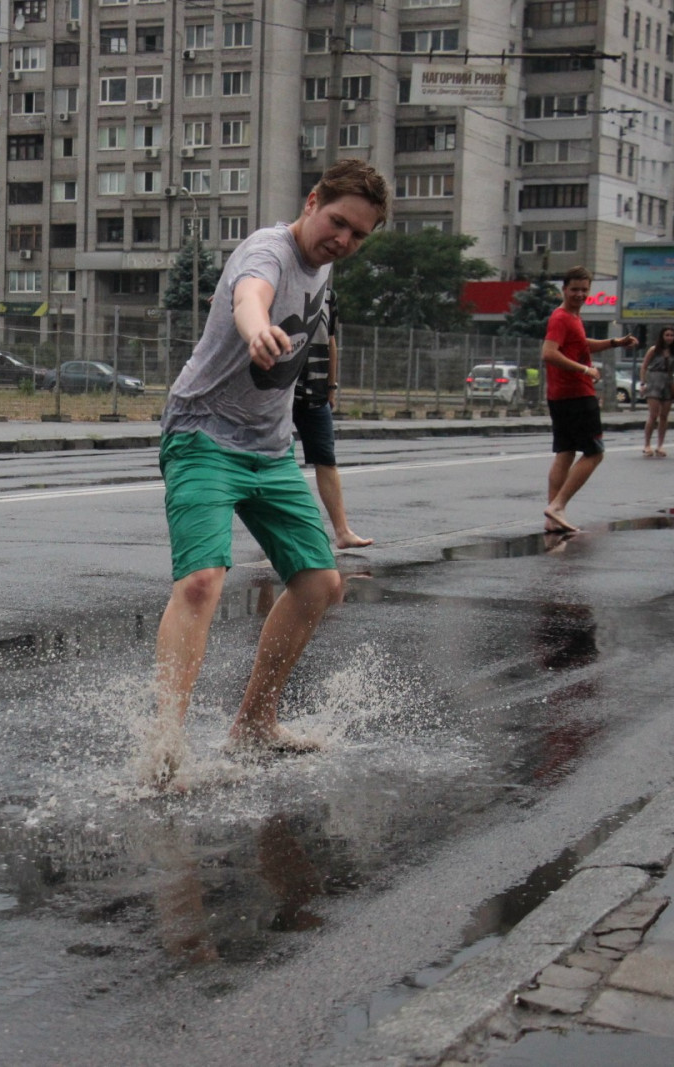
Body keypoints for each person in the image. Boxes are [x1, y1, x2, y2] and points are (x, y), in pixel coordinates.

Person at [148, 158, 390, 785]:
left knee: (320, 582)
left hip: (270, 446)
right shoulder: (270, 249)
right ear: (312, 201)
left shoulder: (325, 266)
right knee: (202, 581)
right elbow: (249, 295)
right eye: (338, 222)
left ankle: (255, 722)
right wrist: (255, 330)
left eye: (359, 235)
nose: (344, 240)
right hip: (202, 433)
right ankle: (166, 747)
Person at [540, 266, 639, 533]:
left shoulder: (571, 318)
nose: (580, 294)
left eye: (584, 290)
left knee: (565, 452)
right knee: (595, 453)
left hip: (560, 395)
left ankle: (552, 518)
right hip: (576, 394)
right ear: (564, 289)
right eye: (575, 289)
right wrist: (585, 369)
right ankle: (558, 506)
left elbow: (581, 344)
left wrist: (615, 342)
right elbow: (549, 353)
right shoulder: (561, 317)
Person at [291, 290, 372, 549]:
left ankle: (342, 531)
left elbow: (331, 340)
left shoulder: (328, 296)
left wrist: (331, 386)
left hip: (315, 391)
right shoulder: (277, 284)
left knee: (326, 459)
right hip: (278, 391)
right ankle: (277, 534)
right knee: (273, 462)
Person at [639, 327, 674, 457]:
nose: (669, 338)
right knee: (653, 415)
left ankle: (660, 445)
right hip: (654, 381)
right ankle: (647, 444)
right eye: (667, 335)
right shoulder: (654, 350)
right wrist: (642, 383)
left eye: (671, 335)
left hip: (668, 383)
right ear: (662, 336)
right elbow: (644, 366)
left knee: (664, 416)